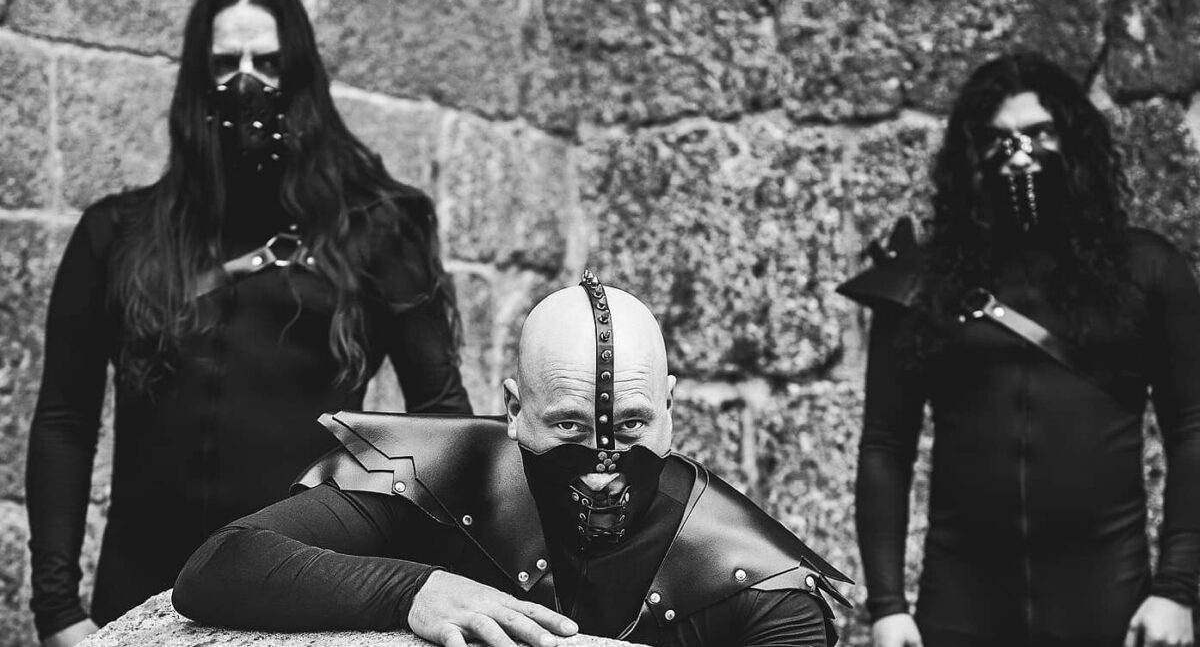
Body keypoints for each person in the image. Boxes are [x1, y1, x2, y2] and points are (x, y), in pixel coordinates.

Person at [26, 0, 473, 647]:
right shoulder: (116, 234)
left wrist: (432, 584)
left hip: (308, 598)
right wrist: (58, 610)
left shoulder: (380, 229)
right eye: (224, 63)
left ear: (300, 74)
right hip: (136, 596)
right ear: (196, 78)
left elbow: (442, 421)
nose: (246, 82)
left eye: (267, 61)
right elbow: (65, 419)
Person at [172, 271, 852, 646]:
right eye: (569, 426)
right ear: (513, 407)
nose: (602, 470)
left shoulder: (762, 585)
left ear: (670, 408)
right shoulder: (437, 475)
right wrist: (414, 590)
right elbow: (220, 565)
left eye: (631, 425)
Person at [840, 52, 1200, 647]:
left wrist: (1177, 588)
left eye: (1039, 132)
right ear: (971, 157)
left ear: (1074, 142)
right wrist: (887, 607)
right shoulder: (923, 284)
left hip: (1109, 602)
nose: (1020, 154)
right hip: (961, 606)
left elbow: (1191, 428)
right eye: (997, 139)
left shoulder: (1147, 269)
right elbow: (885, 444)